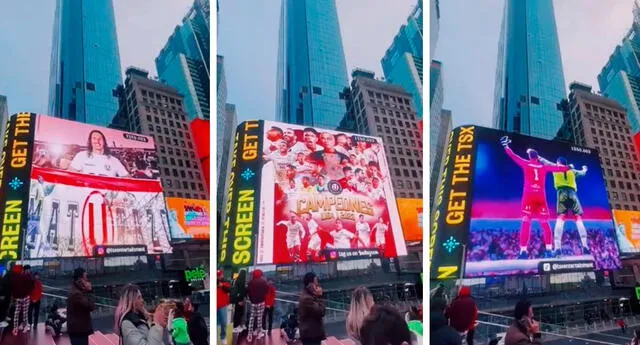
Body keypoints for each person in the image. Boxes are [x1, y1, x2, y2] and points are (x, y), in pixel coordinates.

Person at [500, 136, 569, 258]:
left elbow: (513, 156)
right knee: (544, 223)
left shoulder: (526, 164)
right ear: (538, 157)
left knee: (526, 222)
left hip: (529, 196)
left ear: (530, 157)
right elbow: (559, 168)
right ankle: (548, 250)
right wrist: (568, 167)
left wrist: (506, 146)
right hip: (540, 197)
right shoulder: (544, 167)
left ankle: (523, 251)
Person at [539, 156, 590, 256]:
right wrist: (585, 168)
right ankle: (585, 246)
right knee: (578, 218)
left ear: (558, 162)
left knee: (561, 217)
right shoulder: (572, 171)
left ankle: (558, 248)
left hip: (561, 193)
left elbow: (545, 162)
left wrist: (538, 156)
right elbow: (583, 173)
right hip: (573, 194)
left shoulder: (556, 167)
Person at [67, 268, 96, 345]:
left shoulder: (77, 291)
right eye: (85, 277)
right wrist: (89, 291)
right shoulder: (76, 294)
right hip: (78, 331)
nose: (87, 280)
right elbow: (91, 306)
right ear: (80, 279)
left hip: (79, 329)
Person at [298, 272, 326, 345]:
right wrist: (320, 296)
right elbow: (321, 311)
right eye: (315, 281)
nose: (317, 284)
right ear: (310, 284)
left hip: (312, 334)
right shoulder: (306, 299)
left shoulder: (309, 295)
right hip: (310, 336)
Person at [246, 269, 269, 341]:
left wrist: (251, 299)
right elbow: (266, 291)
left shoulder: (250, 283)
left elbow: (248, 292)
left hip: (253, 303)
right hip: (261, 302)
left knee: (252, 318)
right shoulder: (263, 282)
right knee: (259, 318)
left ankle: (249, 334)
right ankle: (259, 333)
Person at [11, 264, 34, 335]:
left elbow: (13, 288)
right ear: (26, 270)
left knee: (16, 313)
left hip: (18, 297)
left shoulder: (15, 277)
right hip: (25, 297)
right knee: (25, 313)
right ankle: (24, 327)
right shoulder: (28, 276)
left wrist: (14, 296)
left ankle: (15, 329)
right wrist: (28, 292)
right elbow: (32, 286)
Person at [230, 269, 248, 333]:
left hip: (240, 300)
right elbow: (237, 292)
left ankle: (237, 326)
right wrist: (239, 301)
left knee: (240, 313)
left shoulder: (240, 281)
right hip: (238, 300)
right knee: (237, 313)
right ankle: (235, 327)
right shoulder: (239, 281)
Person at [216, 270, 230, 344]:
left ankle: (223, 337)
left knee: (224, 323)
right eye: (218, 275)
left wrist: (222, 285)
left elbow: (228, 290)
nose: (219, 276)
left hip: (222, 306)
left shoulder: (225, 282)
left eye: (220, 275)